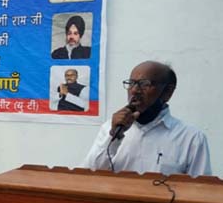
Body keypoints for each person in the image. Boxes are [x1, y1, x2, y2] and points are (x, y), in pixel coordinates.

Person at [82, 61, 211, 177]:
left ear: (168, 92)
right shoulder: (110, 128)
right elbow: (88, 176)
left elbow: (201, 190)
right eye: (131, 83)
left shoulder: (191, 138)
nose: (134, 90)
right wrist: (114, 136)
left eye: (144, 84)